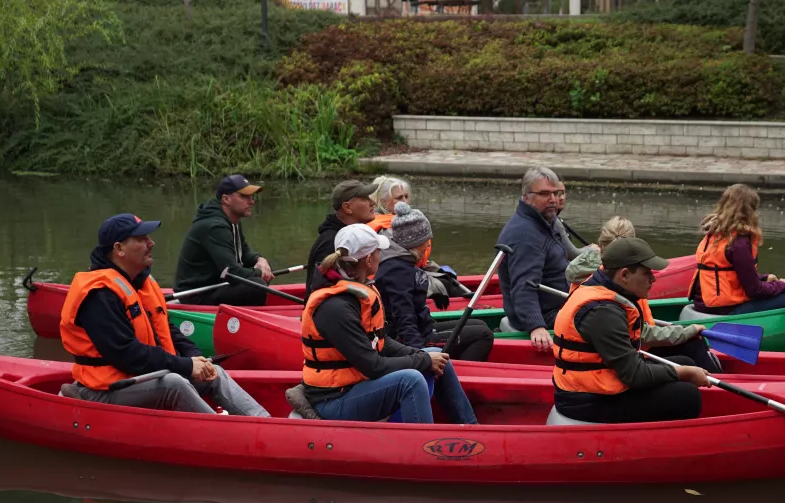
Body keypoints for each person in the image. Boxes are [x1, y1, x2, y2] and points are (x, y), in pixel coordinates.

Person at [58, 213, 270, 417]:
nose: (151, 243)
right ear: (119, 248)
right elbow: (126, 354)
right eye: (141, 239)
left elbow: (167, 330)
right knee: (174, 384)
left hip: (142, 377)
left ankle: (264, 423)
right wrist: (184, 366)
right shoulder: (99, 295)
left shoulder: (141, 282)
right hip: (104, 389)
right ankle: (229, 436)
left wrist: (194, 356)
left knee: (213, 372)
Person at [292, 223, 479, 424]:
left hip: (354, 386)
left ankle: (470, 428)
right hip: (333, 400)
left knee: (437, 355)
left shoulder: (356, 292)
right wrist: (424, 361)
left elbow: (381, 341)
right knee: (411, 381)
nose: (382, 255)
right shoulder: (335, 308)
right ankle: (423, 449)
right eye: (379, 251)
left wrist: (420, 355)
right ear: (369, 259)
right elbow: (373, 366)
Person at [552, 236, 711, 424]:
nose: (653, 279)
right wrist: (684, 373)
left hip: (598, 385)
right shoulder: (602, 312)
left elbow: (636, 345)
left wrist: (684, 355)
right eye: (646, 273)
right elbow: (634, 375)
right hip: (586, 400)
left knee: (683, 361)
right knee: (688, 396)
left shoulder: (607, 290)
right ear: (625, 275)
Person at [568, 216, 719, 373]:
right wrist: (685, 335)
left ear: (601, 246)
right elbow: (640, 335)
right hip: (622, 356)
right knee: (689, 350)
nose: (652, 278)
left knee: (688, 348)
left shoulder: (606, 279)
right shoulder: (621, 283)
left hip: (631, 347)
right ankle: (716, 384)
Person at [373, 202, 495, 362]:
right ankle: (458, 375)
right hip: (410, 339)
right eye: (426, 238)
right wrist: (418, 356)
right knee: (483, 335)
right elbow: (403, 316)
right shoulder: (397, 270)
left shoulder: (402, 262)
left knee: (479, 324)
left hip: (422, 326)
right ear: (414, 241)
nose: (429, 242)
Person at [689, 184, 785, 315]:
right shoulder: (739, 243)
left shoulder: (714, 233)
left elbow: (729, 273)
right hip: (724, 308)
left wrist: (764, 278)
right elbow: (755, 291)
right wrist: (781, 285)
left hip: (702, 302)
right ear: (751, 212)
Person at [497, 167, 571, 352]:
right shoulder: (525, 236)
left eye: (556, 193)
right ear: (527, 196)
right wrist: (536, 326)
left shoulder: (543, 221)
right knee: (604, 320)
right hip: (546, 315)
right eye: (545, 194)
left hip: (556, 307)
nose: (553, 200)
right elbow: (524, 285)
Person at [366, 175, 471, 306]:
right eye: (399, 198)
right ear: (383, 202)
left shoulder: (401, 222)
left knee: (448, 278)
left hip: (406, 272)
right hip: (392, 283)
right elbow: (401, 264)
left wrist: (436, 269)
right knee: (446, 285)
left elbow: (415, 260)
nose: (404, 201)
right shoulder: (383, 229)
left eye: (406, 196)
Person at [173, 174, 275, 306]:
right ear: (226, 199)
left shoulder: (232, 220)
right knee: (257, 284)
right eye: (244, 196)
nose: (251, 201)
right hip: (195, 294)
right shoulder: (214, 226)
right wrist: (260, 273)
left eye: (251, 197)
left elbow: (243, 252)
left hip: (216, 284)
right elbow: (232, 272)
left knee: (266, 267)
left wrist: (260, 260)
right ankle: (249, 319)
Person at [307, 179, 378, 295]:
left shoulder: (345, 236)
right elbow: (321, 292)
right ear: (347, 207)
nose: (372, 203)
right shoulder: (331, 242)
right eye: (365, 199)